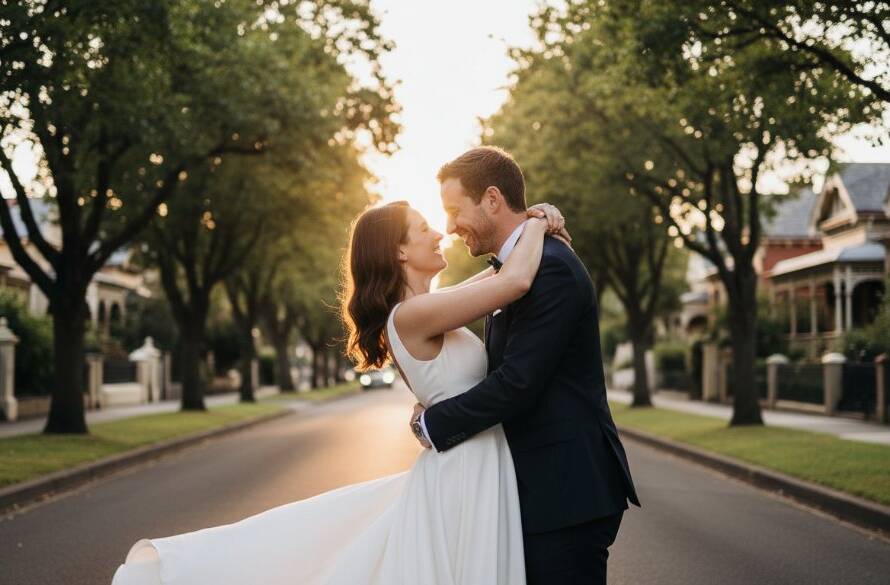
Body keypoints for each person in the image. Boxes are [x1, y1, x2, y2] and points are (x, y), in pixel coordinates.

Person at [110, 192, 569, 585]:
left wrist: (530, 228)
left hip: (473, 460)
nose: (441, 233)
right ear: (400, 252)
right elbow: (514, 280)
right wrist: (538, 221)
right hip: (464, 468)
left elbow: (498, 275)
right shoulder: (410, 317)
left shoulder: (428, 307)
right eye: (425, 227)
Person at [413, 146, 639, 585]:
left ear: (492, 199)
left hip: (567, 493)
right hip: (541, 492)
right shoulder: (514, 270)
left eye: (455, 210)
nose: (448, 227)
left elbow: (517, 383)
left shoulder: (549, 269)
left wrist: (433, 425)